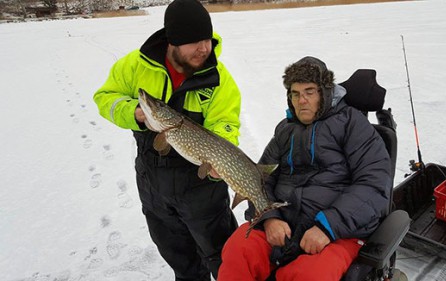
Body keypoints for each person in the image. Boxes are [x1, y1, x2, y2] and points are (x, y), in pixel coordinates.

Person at [93, 0, 241, 280]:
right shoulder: (135, 65)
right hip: (152, 186)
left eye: (207, 39)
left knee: (224, 258)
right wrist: (134, 113)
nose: (204, 48)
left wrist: (220, 156)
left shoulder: (219, 80)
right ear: (173, 41)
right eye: (193, 41)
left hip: (201, 190)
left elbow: (226, 124)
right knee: (179, 258)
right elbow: (105, 98)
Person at [218, 56, 392, 281]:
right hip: (284, 224)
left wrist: (327, 226)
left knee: (311, 275)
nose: (302, 101)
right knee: (238, 250)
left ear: (325, 92)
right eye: (296, 93)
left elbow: (373, 183)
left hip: (339, 232)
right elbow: (261, 179)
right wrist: (270, 218)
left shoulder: (353, 125)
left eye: (310, 92)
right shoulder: (285, 129)